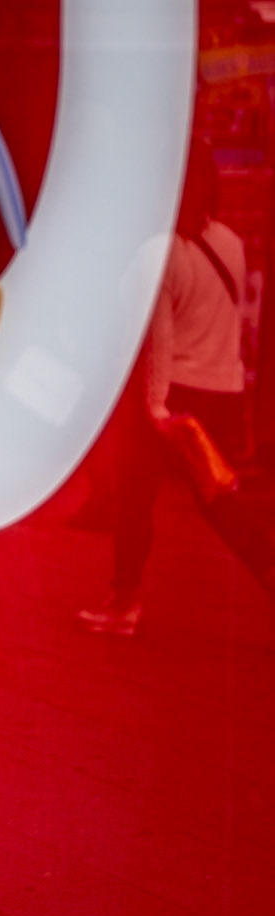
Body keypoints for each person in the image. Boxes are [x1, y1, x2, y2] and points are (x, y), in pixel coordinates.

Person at [80, 145, 275, 635]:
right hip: (222, 394)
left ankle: (124, 604)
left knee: (134, 499)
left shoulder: (157, 251)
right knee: (222, 509)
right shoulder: (229, 241)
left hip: (174, 398)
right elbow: (231, 324)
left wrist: (156, 409)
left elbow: (159, 339)